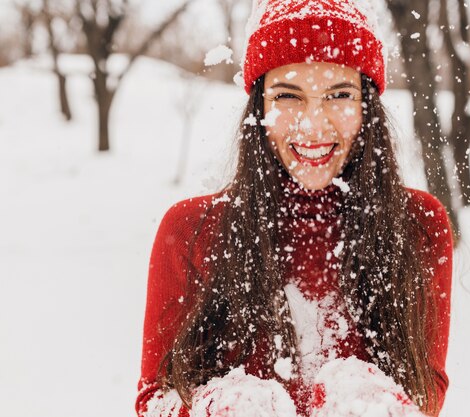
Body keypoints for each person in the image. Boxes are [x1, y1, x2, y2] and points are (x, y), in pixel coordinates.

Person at [136, 1, 453, 416]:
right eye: (288, 96)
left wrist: (372, 406)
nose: (313, 125)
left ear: (366, 106)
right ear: (260, 106)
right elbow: (154, 399)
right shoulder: (191, 230)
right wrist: (224, 409)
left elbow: (426, 389)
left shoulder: (418, 225)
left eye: (339, 94)